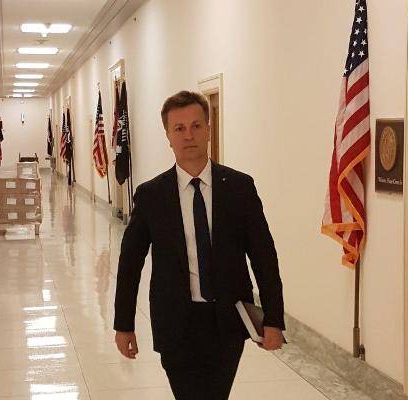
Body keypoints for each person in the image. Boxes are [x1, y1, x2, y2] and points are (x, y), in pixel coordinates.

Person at [114, 90, 285, 399]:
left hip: (227, 321)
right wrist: (124, 324)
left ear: (208, 128)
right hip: (175, 322)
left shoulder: (239, 188)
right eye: (179, 128)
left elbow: (263, 256)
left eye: (196, 126)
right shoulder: (152, 196)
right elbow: (130, 263)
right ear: (168, 136)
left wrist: (273, 319)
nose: (188, 135)